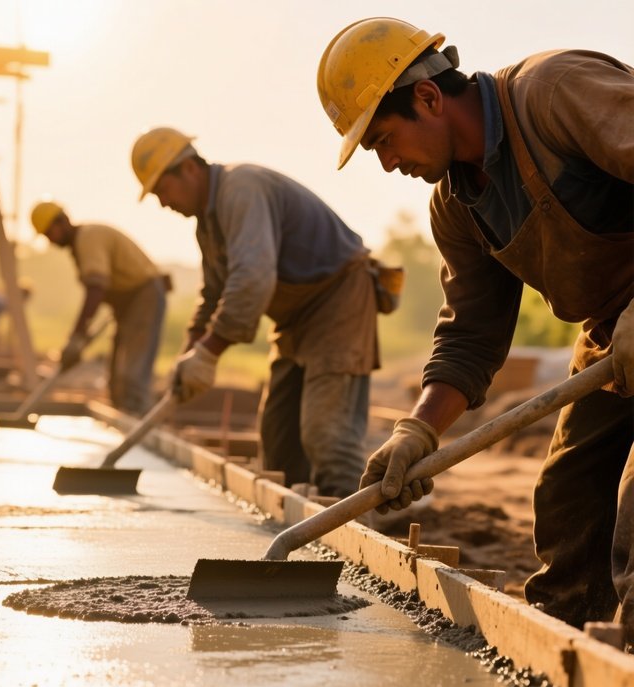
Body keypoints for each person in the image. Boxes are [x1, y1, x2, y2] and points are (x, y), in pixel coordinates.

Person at [317, 18, 634, 643]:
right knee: (568, 499)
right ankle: (564, 660)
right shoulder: (457, 207)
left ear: (429, 98)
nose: (386, 165)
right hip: (611, 335)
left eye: (384, 140)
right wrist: (419, 430)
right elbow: (472, 336)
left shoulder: (555, 92)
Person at [130, 127, 391, 498]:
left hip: (339, 300)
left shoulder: (242, 188)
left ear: (188, 169)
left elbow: (252, 279)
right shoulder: (208, 224)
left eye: (161, 190)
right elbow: (212, 294)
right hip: (295, 319)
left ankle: (347, 533)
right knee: (278, 437)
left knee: (326, 434)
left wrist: (209, 352)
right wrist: (190, 352)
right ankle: (291, 526)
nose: (162, 203)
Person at [30, 201, 169, 416]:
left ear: (61, 222)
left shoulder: (88, 238)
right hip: (127, 302)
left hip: (144, 295)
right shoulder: (80, 245)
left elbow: (96, 289)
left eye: (50, 233)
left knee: (132, 374)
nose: (50, 240)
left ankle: (140, 424)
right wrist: (80, 335)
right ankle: (123, 420)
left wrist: (77, 336)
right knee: (116, 380)